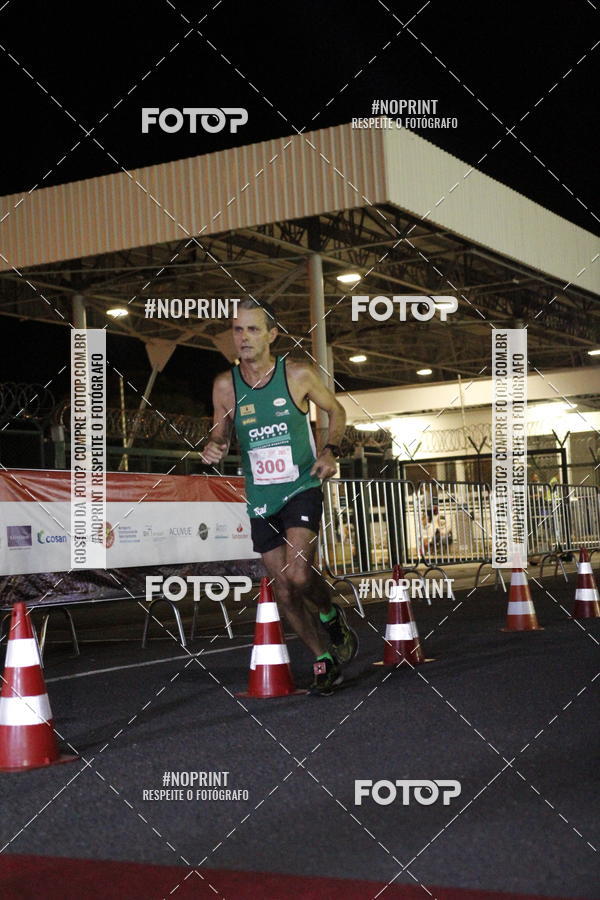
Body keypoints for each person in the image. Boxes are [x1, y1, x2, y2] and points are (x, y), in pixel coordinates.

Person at [201, 299, 358, 694]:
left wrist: (329, 450)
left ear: (272, 335)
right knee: (283, 588)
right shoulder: (225, 385)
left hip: (300, 487)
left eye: (253, 330)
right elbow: (219, 433)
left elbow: (336, 411)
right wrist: (214, 446)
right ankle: (323, 657)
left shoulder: (297, 374)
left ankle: (329, 611)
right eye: (238, 330)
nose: (244, 338)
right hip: (259, 499)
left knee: (300, 574)